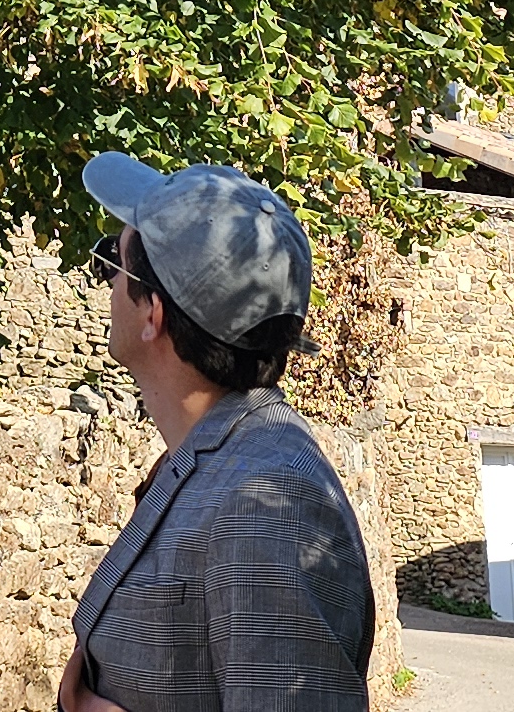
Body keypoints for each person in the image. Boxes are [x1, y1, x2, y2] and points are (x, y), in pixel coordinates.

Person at [62, 153, 374, 712]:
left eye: (114, 261)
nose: (107, 283)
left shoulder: (268, 499)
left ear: (154, 313)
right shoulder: (216, 456)